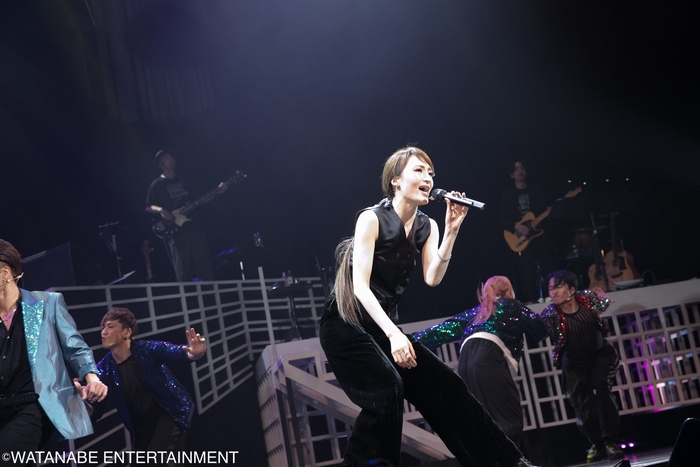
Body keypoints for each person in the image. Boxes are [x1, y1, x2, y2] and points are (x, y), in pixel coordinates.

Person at [319, 147, 536, 467]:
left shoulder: (427, 225)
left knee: (446, 386)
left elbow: (433, 277)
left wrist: (451, 229)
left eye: (431, 173)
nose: (428, 178)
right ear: (396, 180)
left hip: (380, 326)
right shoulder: (372, 218)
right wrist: (394, 335)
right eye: (419, 171)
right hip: (345, 324)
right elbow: (360, 288)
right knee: (388, 389)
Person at [0, 239, 108, 465]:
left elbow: (75, 347)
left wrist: (92, 377)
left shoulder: (47, 303)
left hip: (34, 405)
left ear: (5, 272)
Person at [413, 275, 548, 449]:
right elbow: (540, 328)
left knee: (482, 419)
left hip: (465, 360)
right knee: (508, 419)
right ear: (509, 290)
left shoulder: (475, 312)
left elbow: (441, 331)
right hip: (488, 357)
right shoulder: (511, 305)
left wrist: (408, 341)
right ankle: (509, 460)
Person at [80, 307, 206, 460]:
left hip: (169, 415)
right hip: (140, 428)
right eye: (103, 328)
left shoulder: (146, 349)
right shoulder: (104, 368)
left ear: (127, 332)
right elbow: (96, 410)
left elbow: (176, 353)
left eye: (110, 326)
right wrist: (82, 401)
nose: (103, 332)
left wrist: (194, 354)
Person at [538, 270, 623, 463]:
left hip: (600, 355)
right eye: (550, 288)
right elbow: (539, 329)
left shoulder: (587, 299)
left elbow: (603, 303)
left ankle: (610, 441)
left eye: (558, 287)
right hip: (574, 364)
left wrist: (604, 299)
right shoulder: (550, 313)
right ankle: (597, 443)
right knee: (581, 405)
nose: (553, 292)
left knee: (601, 385)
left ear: (571, 289)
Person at [146, 148, 227, 282]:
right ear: (161, 165)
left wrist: (217, 191)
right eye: (166, 158)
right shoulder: (157, 184)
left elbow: (199, 200)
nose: (171, 159)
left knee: (206, 267)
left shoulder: (183, 180)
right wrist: (161, 210)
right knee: (183, 271)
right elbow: (149, 207)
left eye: (171, 157)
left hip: (195, 227)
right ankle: (188, 295)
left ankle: (211, 293)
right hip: (176, 233)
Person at [498, 160, 555, 303]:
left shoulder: (536, 191)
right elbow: (502, 219)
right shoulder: (508, 196)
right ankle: (532, 301)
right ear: (512, 174)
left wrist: (548, 213)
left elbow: (544, 213)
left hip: (539, 236)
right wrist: (517, 226)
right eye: (516, 169)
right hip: (520, 238)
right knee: (527, 271)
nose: (520, 171)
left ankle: (550, 297)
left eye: (522, 168)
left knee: (547, 266)